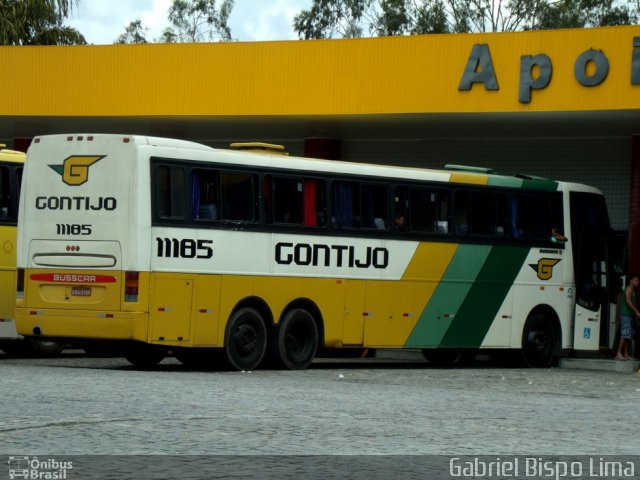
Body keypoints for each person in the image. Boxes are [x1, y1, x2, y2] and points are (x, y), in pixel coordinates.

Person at [616, 274, 639, 360]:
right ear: (631, 281)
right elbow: (628, 301)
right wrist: (636, 311)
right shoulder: (629, 289)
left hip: (630, 315)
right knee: (625, 334)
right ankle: (619, 353)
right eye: (636, 280)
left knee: (629, 335)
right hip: (626, 315)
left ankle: (625, 354)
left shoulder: (633, 290)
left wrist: (635, 316)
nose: (638, 282)